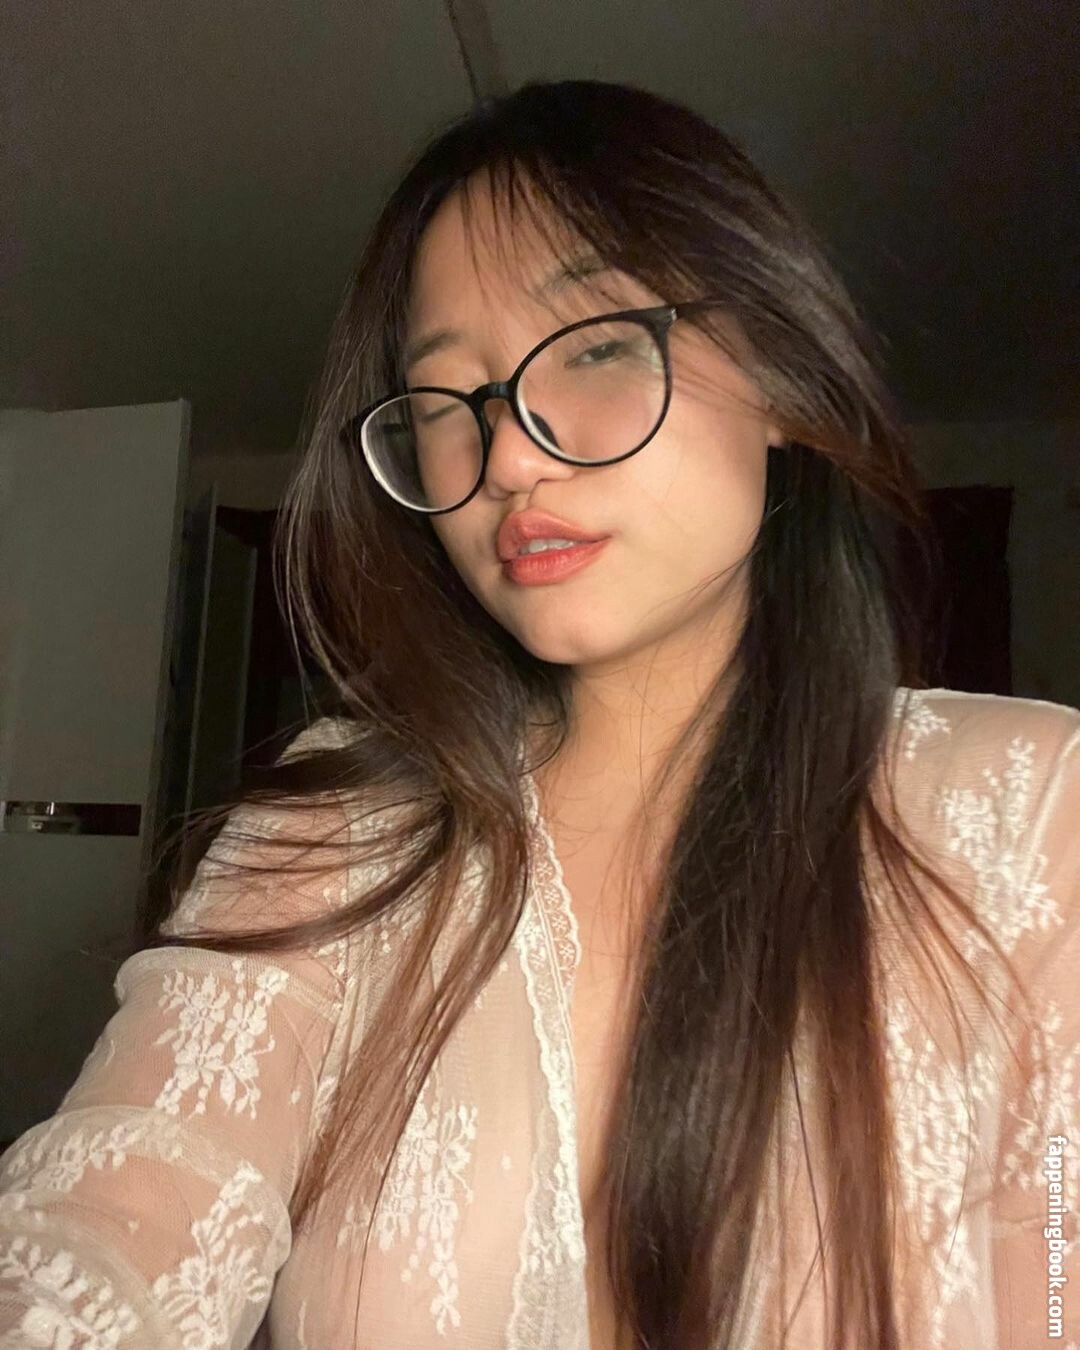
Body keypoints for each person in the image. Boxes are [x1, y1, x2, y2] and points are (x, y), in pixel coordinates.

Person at [0, 78, 1077, 1350]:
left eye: (597, 347)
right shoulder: (334, 830)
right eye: (445, 401)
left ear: (784, 376)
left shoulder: (1032, 814)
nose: (508, 457)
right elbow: (117, 1215)